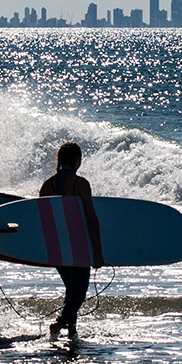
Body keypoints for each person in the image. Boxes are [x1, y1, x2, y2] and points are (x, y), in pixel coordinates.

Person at [39, 141, 103, 341]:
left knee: (72, 289)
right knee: (79, 291)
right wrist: (98, 250)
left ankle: (72, 332)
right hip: (78, 245)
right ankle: (60, 323)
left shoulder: (46, 185)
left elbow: (43, 220)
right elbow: (91, 218)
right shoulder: (80, 184)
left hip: (56, 246)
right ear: (77, 160)